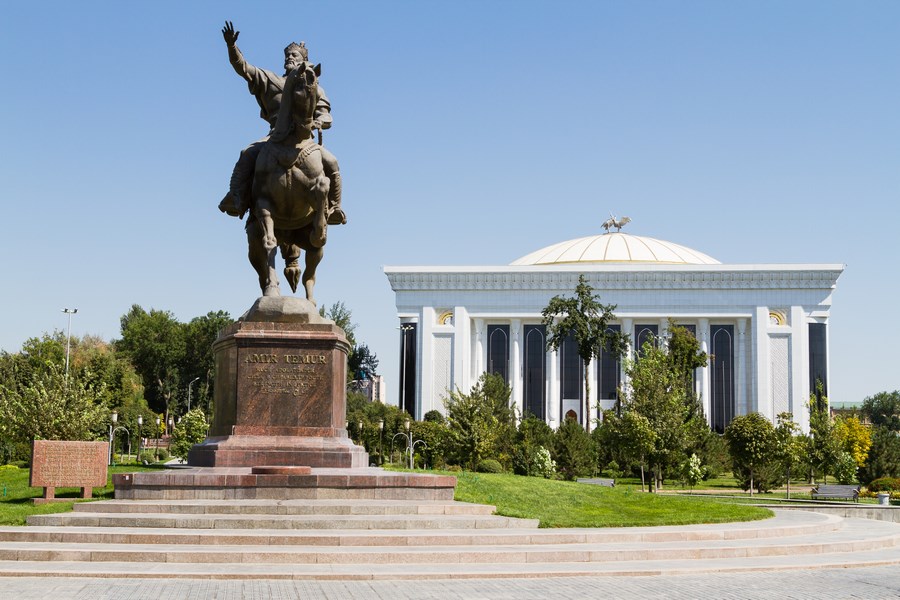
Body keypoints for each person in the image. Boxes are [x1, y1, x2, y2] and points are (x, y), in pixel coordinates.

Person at [218, 21, 345, 225]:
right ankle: (236, 197)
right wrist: (232, 47)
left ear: (304, 60)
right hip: (275, 133)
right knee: (247, 153)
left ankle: (335, 207)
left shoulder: (312, 85)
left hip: (306, 138)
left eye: (294, 55)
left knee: (332, 161)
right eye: (287, 55)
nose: (289, 58)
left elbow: (326, 115)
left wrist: (318, 122)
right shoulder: (270, 79)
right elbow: (242, 68)